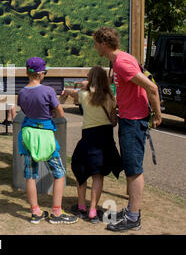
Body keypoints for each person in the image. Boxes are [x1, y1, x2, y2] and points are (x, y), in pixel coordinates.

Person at [93, 27, 162, 232]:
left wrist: (158, 115)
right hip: (129, 120)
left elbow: (152, 87)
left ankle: (133, 218)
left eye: (96, 43)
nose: (95, 47)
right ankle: (132, 210)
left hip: (133, 122)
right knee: (131, 167)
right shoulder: (122, 58)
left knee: (133, 170)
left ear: (103, 44)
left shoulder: (122, 63)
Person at [17, 57, 77, 225]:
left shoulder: (22, 92)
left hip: (28, 135)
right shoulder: (48, 91)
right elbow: (60, 112)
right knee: (59, 174)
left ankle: (35, 212)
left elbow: (24, 108)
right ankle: (56, 213)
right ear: (41, 74)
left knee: (30, 175)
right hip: (45, 136)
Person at [61, 66, 123, 224]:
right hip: (105, 138)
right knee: (98, 174)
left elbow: (72, 92)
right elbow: (114, 122)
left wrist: (67, 91)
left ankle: (81, 206)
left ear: (91, 79)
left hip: (88, 138)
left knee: (80, 169)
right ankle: (93, 210)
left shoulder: (84, 95)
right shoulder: (110, 97)